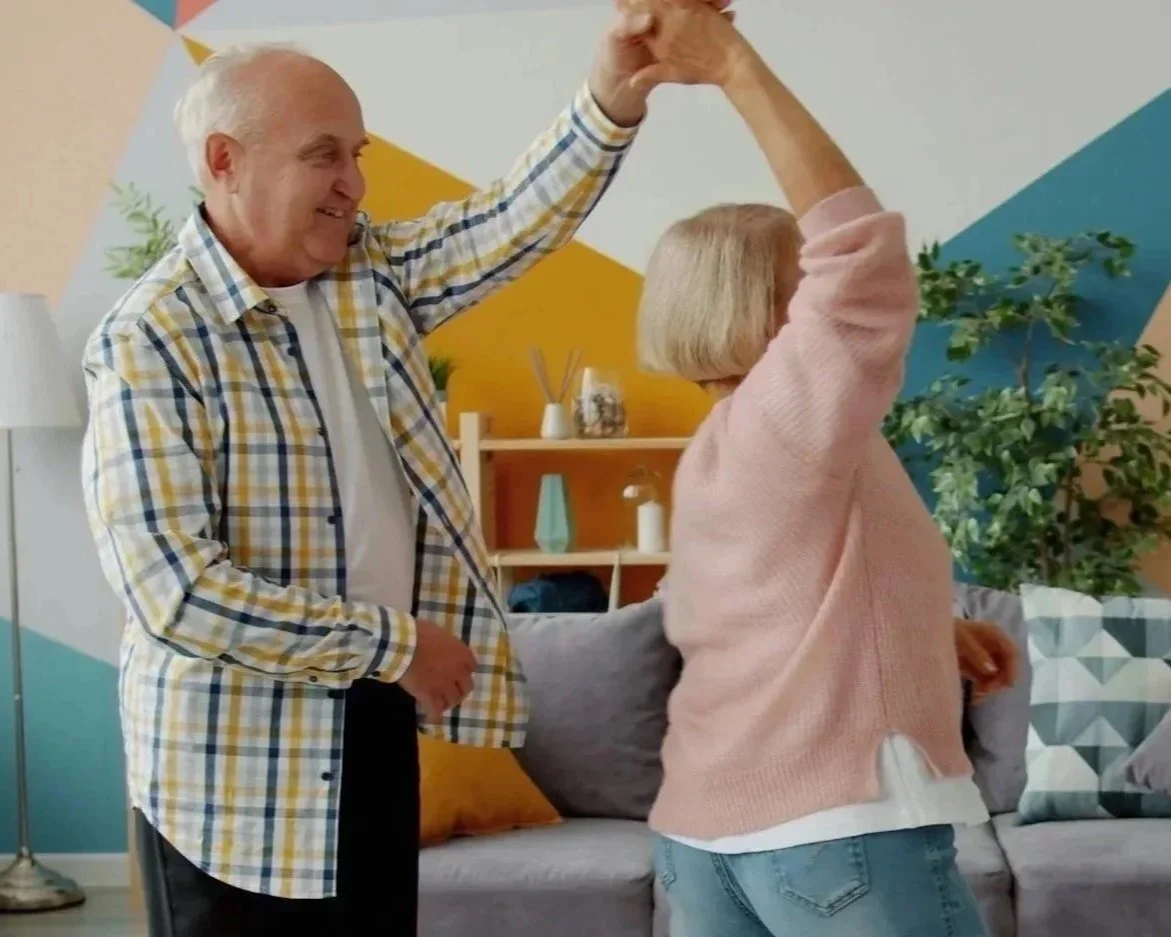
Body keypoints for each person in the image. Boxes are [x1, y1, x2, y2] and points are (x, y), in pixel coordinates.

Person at [78, 5, 733, 933]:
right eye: (323, 155)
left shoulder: (367, 274)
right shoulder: (150, 340)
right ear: (224, 161)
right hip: (230, 774)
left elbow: (512, 220)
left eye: (356, 154)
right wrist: (397, 645)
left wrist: (612, 95)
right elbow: (175, 593)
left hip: (373, 725)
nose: (354, 183)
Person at [630, 2, 1016, 935]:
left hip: (708, 839)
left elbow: (777, 616)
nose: (821, 299)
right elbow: (863, 259)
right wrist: (731, 62)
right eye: (804, 284)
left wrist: (923, 631)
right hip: (833, 836)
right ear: (769, 312)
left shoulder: (722, 450)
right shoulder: (781, 428)